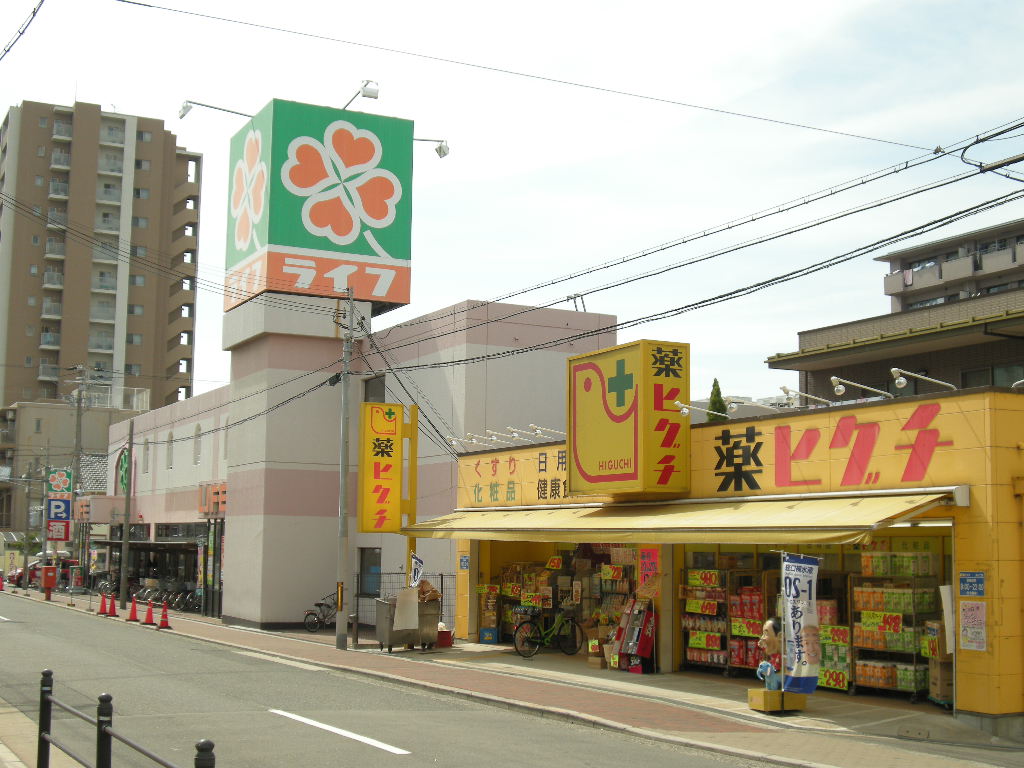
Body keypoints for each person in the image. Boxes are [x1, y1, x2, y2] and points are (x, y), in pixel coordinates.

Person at [756, 617, 783, 690]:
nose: (762, 638)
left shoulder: (785, 657)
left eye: (766, 634)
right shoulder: (773, 655)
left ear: (780, 636)